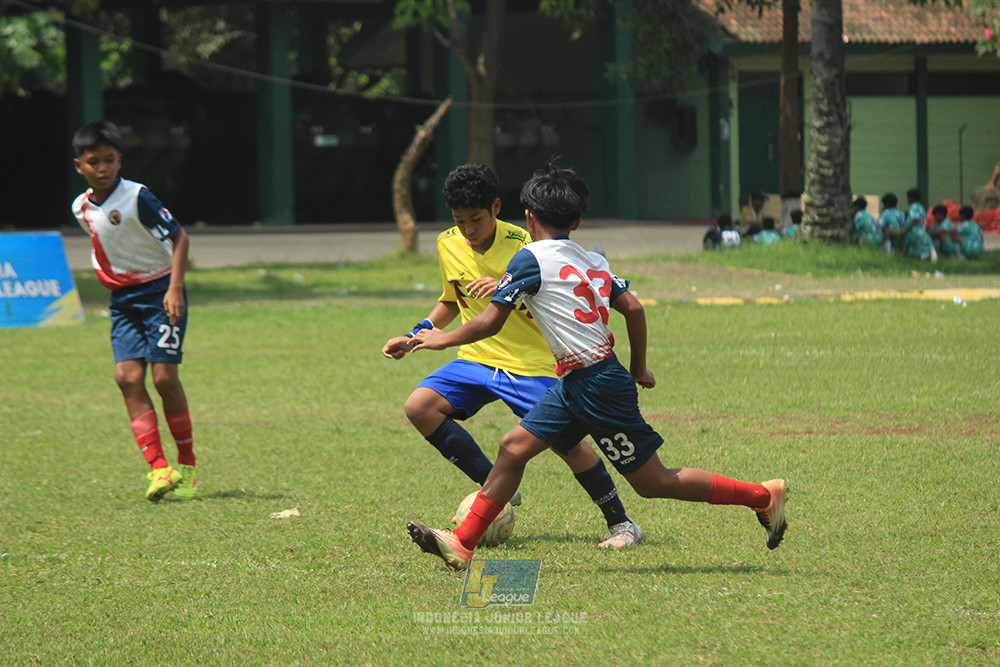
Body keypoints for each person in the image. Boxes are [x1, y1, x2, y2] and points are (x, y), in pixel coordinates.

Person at [406, 163, 788, 571]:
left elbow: (490, 320)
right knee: (513, 448)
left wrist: (438, 338)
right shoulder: (592, 260)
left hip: (597, 385)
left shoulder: (528, 257)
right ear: (577, 220)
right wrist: (639, 367)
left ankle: (762, 496)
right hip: (580, 380)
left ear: (529, 218)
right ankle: (463, 543)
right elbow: (633, 307)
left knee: (653, 482)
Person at [381, 163, 643, 548]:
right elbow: (451, 302)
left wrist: (505, 290)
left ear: (496, 208)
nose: (469, 230)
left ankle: (620, 522)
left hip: (529, 362)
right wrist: (415, 335)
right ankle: (494, 485)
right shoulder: (446, 244)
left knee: (569, 445)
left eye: (476, 219)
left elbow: (541, 304)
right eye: (460, 221)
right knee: (420, 406)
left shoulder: (527, 244)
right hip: (476, 357)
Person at [72, 120, 198, 502]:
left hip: (162, 293)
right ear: (80, 166)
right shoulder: (81, 208)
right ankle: (159, 468)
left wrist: (175, 288)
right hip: (124, 302)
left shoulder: (137, 197)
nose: (103, 168)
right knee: (127, 378)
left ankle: (188, 464)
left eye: (110, 160)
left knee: (163, 380)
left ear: (119, 160)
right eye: (94, 162)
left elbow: (179, 237)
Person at [902, 188, 935, 261]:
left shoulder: (913, 207)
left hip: (914, 232)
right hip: (922, 231)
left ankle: (902, 259)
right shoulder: (921, 207)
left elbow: (916, 219)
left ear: (911, 198)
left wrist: (906, 230)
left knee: (905, 245)